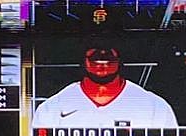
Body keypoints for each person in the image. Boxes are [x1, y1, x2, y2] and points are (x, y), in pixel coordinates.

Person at [32, 42, 177, 130]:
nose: (102, 55)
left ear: (121, 58)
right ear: (82, 59)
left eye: (109, 49)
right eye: (93, 48)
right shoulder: (50, 108)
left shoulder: (155, 107)